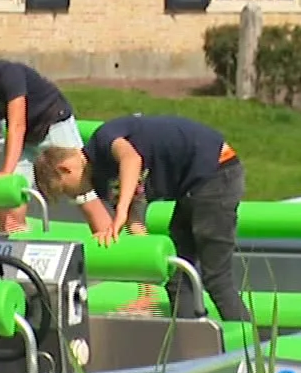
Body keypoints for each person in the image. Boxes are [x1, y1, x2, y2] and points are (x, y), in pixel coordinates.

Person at [31, 113, 251, 323]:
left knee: (216, 277)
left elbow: (131, 158)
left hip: (216, 169)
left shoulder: (103, 140)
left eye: (65, 190)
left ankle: (250, 346)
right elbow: (136, 226)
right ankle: (189, 338)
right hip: (192, 186)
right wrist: (146, 294)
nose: (74, 196)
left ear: (66, 168)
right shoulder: (102, 182)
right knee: (177, 275)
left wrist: (121, 212)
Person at [0, 60, 81, 232]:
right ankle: (14, 239)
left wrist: (5, 174)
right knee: (11, 198)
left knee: (80, 185)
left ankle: (109, 232)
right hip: (22, 139)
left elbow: (17, 126)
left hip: (52, 121)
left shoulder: (8, 74)